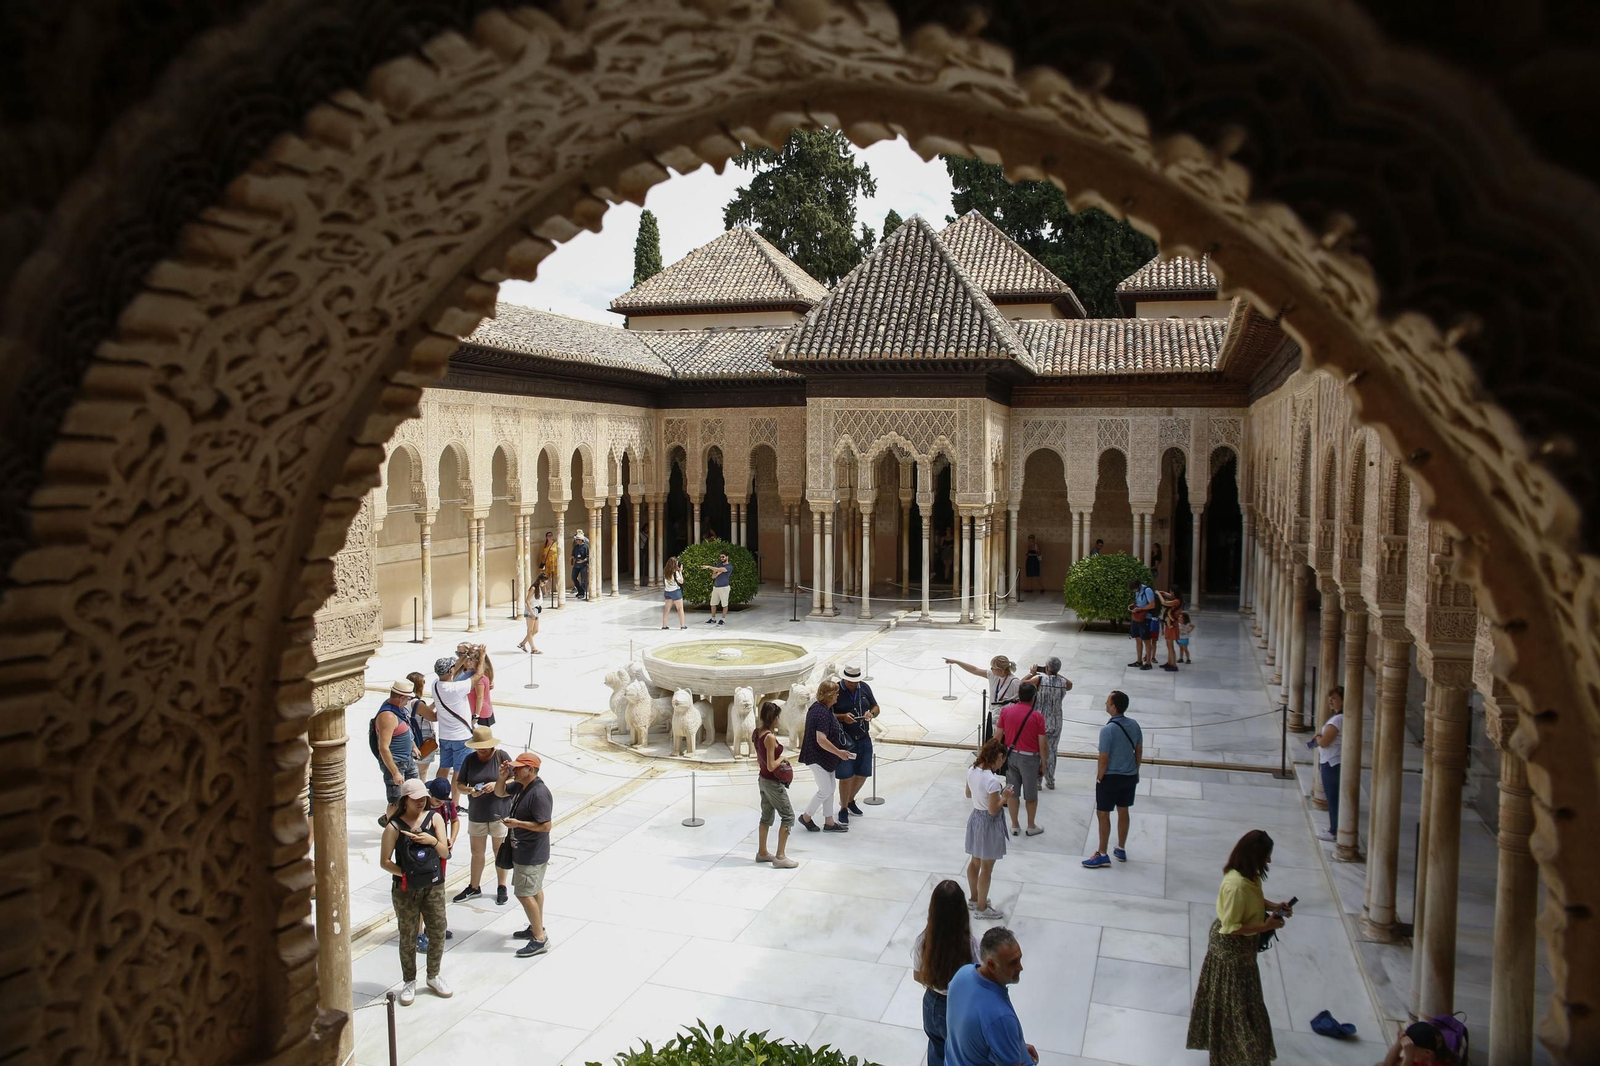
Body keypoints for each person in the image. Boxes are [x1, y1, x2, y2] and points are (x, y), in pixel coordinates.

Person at [1186, 829, 1292, 1065]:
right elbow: (1231, 927)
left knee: (1246, 1003)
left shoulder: (1247, 875)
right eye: (1266, 855)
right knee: (1236, 1007)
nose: (1269, 861)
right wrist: (1266, 926)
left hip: (1244, 951)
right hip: (1231, 953)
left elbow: (1253, 898)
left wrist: (1274, 905)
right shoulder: (1236, 885)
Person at [380, 779, 452, 1004]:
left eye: (424, 798)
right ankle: (409, 980)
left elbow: (445, 853)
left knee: (438, 929)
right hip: (405, 890)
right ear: (405, 800)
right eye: (416, 799)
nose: (421, 802)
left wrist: (431, 841)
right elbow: (384, 861)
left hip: (433, 886)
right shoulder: (394, 827)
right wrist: (405, 873)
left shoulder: (435, 818)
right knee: (408, 935)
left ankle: (433, 975)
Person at [945, 927, 1038, 1066]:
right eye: (1013, 963)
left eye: (1019, 959)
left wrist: (1015, 1046)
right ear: (991, 965)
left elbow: (976, 1037)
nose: (1020, 967)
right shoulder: (999, 1017)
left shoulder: (962, 975)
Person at [913, 879, 980, 1066]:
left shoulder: (923, 941)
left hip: (930, 1003)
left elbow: (917, 975)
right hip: (957, 1007)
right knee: (958, 1055)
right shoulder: (971, 945)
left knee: (936, 1048)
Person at [494, 751, 553, 958]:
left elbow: (546, 826)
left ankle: (539, 939)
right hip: (523, 848)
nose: (515, 770)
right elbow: (500, 793)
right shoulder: (521, 786)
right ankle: (536, 926)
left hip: (531, 852)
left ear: (531, 770)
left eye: (519, 768)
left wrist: (518, 824)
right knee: (534, 889)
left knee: (524, 892)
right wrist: (502, 777)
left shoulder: (539, 794)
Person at [452, 724, 511, 905]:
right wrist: (470, 790)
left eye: (484, 747)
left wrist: (497, 784)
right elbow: (460, 785)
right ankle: (474, 886)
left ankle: (502, 886)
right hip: (477, 813)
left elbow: (515, 778)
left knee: (498, 851)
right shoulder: (470, 760)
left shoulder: (502, 757)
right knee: (476, 852)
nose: (481, 751)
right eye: (478, 748)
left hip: (498, 812)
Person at [1084, 690, 1142, 868]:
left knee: (1103, 813)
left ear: (1114, 706)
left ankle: (1102, 853)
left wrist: (1100, 778)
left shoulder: (1107, 730)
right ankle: (1121, 847)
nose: (1105, 704)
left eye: (1108, 701)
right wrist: (1135, 770)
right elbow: (1138, 750)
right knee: (1123, 810)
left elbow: (1104, 758)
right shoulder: (1134, 725)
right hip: (1129, 775)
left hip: (1110, 777)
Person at [964, 736, 1013, 919]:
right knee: (987, 867)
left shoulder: (972, 770)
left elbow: (968, 793)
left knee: (974, 861)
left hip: (975, 817)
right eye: (1003, 759)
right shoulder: (993, 781)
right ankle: (982, 908)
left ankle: (974, 898)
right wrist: (1005, 796)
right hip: (988, 824)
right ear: (998, 757)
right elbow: (993, 810)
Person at [798, 680, 854, 833]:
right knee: (825, 790)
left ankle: (829, 822)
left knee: (830, 789)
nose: (838, 696)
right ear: (829, 695)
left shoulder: (822, 708)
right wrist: (839, 752)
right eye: (836, 693)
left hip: (826, 758)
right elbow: (821, 740)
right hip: (817, 757)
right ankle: (806, 817)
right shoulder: (821, 713)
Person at [996, 682, 1046, 837]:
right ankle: (1031, 825)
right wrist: (1044, 764)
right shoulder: (1037, 716)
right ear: (1033, 697)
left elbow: (997, 736)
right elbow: (1042, 744)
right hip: (1029, 759)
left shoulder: (1006, 711)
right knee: (1030, 795)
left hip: (1011, 756)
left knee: (1012, 791)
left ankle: (1015, 825)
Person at [416, 778, 460, 954]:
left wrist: (452, 839)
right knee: (421, 895)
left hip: (440, 856)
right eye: (436, 801)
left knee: (436, 892)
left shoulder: (447, 806)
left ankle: (432, 926)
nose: (439, 804)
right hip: (422, 858)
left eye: (442, 801)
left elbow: (455, 821)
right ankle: (418, 934)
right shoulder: (419, 807)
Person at [753, 701, 799, 869]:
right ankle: (780, 856)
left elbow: (761, 758)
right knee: (788, 816)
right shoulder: (770, 737)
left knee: (766, 816)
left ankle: (763, 852)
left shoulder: (757, 732)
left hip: (762, 780)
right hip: (772, 782)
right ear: (774, 718)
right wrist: (783, 758)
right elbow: (772, 765)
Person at [833, 664, 880, 823]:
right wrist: (842, 717)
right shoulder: (836, 690)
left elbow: (876, 706)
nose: (853, 684)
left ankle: (850, 800)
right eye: (850, 681)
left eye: (856, 681)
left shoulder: (864, 687)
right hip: (846, 740)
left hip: (863, 736)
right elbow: (827, 713)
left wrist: (871, 714)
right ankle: (843, 808)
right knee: (846, 775)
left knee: (863, 772)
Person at [432, 649, 482, 784]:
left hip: (444, 736)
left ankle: (438, 795)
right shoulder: (457, 688)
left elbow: (454, 669)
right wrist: (481, 655)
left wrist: (465, 655)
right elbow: (479, 675)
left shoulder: (435, 685)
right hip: (461, 737)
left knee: (443, 768)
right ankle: (455, 802)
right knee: (458, 772)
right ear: (450, 671)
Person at [374, 679, 420, 827]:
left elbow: (405, 729)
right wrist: (395, 773)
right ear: (401, 698)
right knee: (395, 799)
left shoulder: (400, 710)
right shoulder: (387, 716)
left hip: (408, 759)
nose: (408, 702)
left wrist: (413, 746)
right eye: (407, 699)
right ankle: (392, 827)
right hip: (396, 763)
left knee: (414, 791)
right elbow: (383, 748)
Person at [1021, 659, 1072, 790]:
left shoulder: (1040, 680)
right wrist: (1055, 673)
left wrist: (1032, 673)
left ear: (1047, 668)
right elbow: (1070, 684)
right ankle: (1050, 780)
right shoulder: (1062, 683)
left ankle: (1037, 780)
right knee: (1052, 750)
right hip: (1056, 721)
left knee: (1037, 750)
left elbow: (1023, 684)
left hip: (1040, 720)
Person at [1312, 687, 1344, 842]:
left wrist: (1318, 738)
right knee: (1333, 797)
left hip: (1332, 763)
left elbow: (1324, 742)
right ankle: (1334, 828)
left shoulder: (1338, 720)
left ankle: (1334, 831)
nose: (1331, 700)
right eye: (1330, 697)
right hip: (1332, 761)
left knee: (1333, 798)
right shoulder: (1339, 717)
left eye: (1335, 698)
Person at [944, 654, 1021, 706]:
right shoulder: (993, 675)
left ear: (1001, 670)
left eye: (993, 668)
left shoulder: (1014, 682)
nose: (991, 669)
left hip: (1006, 716)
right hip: (994, 713)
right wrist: (956, 662)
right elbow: (975, 670)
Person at [406, 671, 439, 783]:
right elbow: (433, 717)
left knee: (414, 769)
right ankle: (421, 792)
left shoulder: (407, 700)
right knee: (423, 771)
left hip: (412, 735)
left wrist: (434, 705)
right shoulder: (417, 703)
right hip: (423, 736)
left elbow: (421, 713)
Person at [1375, 1021, 1456, 1066]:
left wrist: (1408, 1058)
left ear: (1427, 1052)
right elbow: (1387, 1064)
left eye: (1410, 1050)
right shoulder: (1423, 1058)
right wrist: (1399, 1042)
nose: (1406, 1051)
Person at [1127, 577, 1158, 670]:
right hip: (1137, 617)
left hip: (1145, 618)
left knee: (1146, 640)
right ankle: (1139, 660)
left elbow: (1152, 605)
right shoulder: (1137, 591)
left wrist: (1140, 609)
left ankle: (1148, 662)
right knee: (1138, 639)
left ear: (1138, 586)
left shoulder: (1147, 590)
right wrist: (1133, 606)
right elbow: (1139, 602)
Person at [466, 646, 495, 727]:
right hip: (484, 710)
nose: (469, 662)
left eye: (471, 659)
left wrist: (476, 715)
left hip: (481, 713)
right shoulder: (485, 674)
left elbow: (480, 697)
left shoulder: (479, 680)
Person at [702, 550, 732, 625]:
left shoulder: (729, 566)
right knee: (713, 603)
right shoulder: (718, 564)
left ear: (727, 557)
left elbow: (719, 570)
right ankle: (713, 619)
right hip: (716, 587)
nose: (721, 558)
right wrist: (717, 572)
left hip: (724, 587)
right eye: (721, 557)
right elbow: (713, 576)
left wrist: (709, 567)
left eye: (723, 557)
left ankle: (723, 619)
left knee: (724, 604)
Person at [1157, 589, 1183, 671]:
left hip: (1172, 624)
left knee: (1170, 645)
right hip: (1170, 624)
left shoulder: (1176, 601)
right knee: (1169, 645)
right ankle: (1169, 662)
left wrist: (1159, 595)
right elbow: (1168, 595)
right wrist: (1162, 593)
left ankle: (1174, 665)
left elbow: (1164, 602)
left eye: (1172, 592)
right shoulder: (1178, 600)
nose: (1170, 593)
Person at [517, 574, 543, 654]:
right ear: (540, 581)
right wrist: (531, 612)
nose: (544, 584)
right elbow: (527, 601)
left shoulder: (539, 588)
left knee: (535, 630)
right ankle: (533, 648)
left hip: (536, 610)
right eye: (544, 583)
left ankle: (522, 644)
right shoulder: (533, 588)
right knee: (530, 630)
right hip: (531, 611)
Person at [660, 555, 687, 629]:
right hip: (675, 592)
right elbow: (681, 581)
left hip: (667, 592)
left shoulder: (665, 572)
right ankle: (682, 625)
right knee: (680, 609)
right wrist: (680, 572)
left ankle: (664, 625)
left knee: (666, 609)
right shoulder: (675, 573)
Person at [571, 529, 590, 599]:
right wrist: (572, 557)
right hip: (576, 564)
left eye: (578, 539)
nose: (576, 541)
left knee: (583, 579)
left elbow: (588, 556)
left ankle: (582, 593)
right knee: (573, 577)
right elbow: (573, 554)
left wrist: (583, 561)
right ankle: (579, 590)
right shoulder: (576, 547)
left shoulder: (586, 547)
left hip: (583, 565)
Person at [1022, 535, 1041, 600]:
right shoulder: (1029, 546)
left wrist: (1032, 555)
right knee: (1029, 575)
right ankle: (1030, 588)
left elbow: (1039, 553)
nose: (1030, 541)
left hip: (1034, 561)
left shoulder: (1036, 545)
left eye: (1031, 540)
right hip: (1029, 560)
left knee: (1036, 575)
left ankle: (1042, 587)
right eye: (1029, 540)